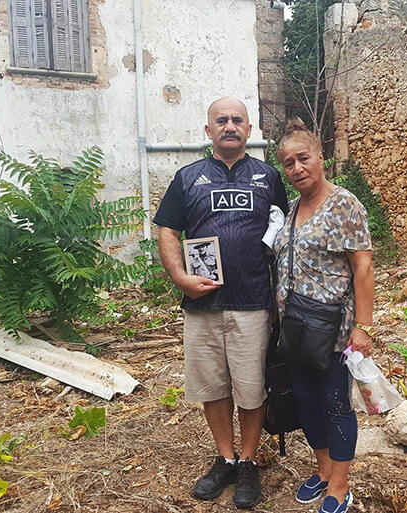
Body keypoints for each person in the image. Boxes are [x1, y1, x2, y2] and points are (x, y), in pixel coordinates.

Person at [153, 97, 288, 509]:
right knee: (213, 386)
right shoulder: (187, 178)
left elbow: (285, 234)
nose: (230, 126)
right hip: (203, 306)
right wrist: (180, 278)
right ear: (208, 130)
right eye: (221, 120)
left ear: (250, 130)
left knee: (250, 389)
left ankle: (248, 462)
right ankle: (224, 457)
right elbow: (167, 231)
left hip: (253, 303)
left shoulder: (269, 177)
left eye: (238, 120)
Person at [272, 119, 374, 513]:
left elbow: (363, 267)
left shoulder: (344, 204)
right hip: (295, 330)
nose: (297, 168)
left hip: (332, 329)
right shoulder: (293, 207)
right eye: (288, 163)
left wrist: (363, 327)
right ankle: (324, 468)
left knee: (334, 403)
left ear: (321, 157)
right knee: (305, 402)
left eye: (303, 158)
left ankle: (340, 485)